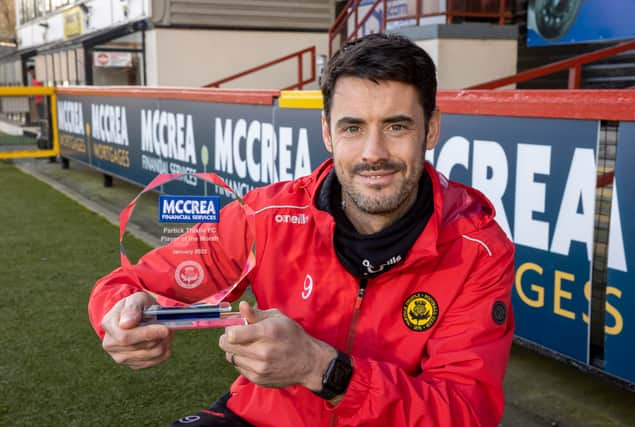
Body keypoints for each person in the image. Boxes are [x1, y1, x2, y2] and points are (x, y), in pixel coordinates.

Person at [88, 33, 515, 426]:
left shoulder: (477, 247)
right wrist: (121, 313)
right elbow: (131, 281)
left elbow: (465, 411)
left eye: (396, 126)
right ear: (328, 132)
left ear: (432, 129)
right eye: (353, 127)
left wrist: (322, 369)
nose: (374, 153)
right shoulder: (268, 214)